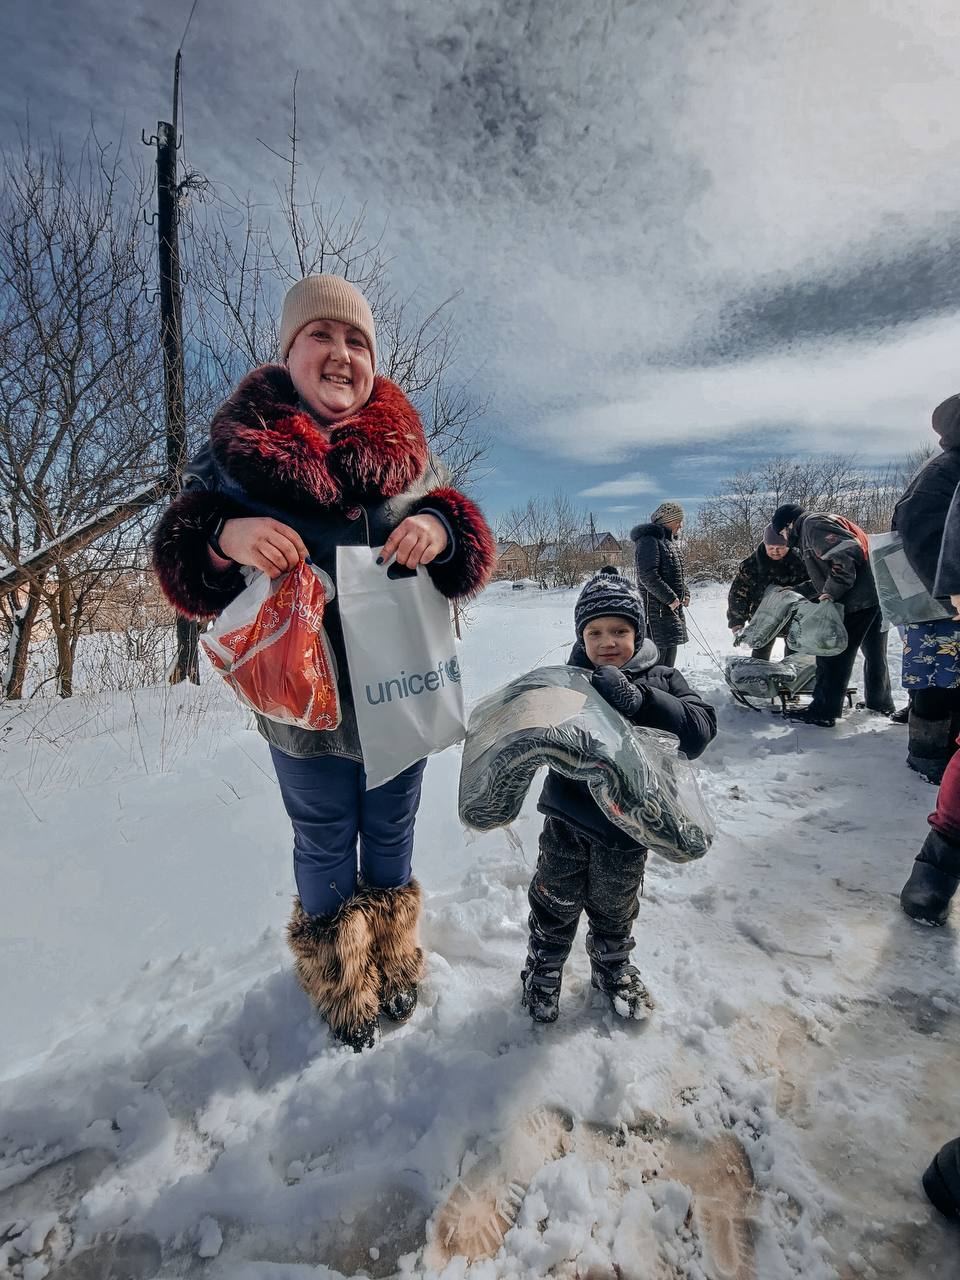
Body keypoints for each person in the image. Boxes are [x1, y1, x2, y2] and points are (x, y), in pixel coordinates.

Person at [152, 275, 495, 1051]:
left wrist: (441, 529)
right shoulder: (237, 453)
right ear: (289, 351)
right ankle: (342, 981)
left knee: (392, 832)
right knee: (323, 835)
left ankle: (393, 953)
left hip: (399, 692)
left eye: (357, 342)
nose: (341, 354)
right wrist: (223, 537)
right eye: (323, 337)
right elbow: (180, 560)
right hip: (301, 707)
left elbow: (464, 539)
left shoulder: (407, 454)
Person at [520, 567, 717, 1024]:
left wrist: (641, 701)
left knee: (615, 904)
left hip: (631, 826)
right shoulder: (568, 681)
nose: (608, 641)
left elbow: (700, 730)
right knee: (555, 898)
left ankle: (612, 967)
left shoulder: (662, 678)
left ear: (638, 632)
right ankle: (544, 966)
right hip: (567, 818)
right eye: (595, 632)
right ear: (582, 637)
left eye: (620, 631)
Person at [769, 503, 895, 727]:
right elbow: (827, 572)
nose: (784, 538)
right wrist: (799, 591)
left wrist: (830, 593)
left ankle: (824, 710)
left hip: (854, 600)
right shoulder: (826, 521)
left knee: (831, 653)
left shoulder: (812, 524)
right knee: (875, 654)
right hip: (874, 595)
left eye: (782, 532)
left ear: (790, 524)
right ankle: (880, 702)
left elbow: (846, 557)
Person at [900, 478, 960, 926]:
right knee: (935, 686)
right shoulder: (943, 475)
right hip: (937, 612)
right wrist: (948, 588)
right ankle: (941, 856)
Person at [892, 394, 960, 782]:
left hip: (941, 597)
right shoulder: (946, 468)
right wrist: (951, 586)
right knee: (936, 677)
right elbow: (917, 528)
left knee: (947, 678)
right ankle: (929, 759)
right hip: (936, 602)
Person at [727, 525, 815, 658]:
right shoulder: (751, 565)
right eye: (771, 548)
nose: (776, 551)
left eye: (780, 548)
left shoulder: (801, 562)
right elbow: (738, 594)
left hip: (793, 618)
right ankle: (758, 676)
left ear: (788, 546)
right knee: (760, 650)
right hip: (762, 617)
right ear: (765, 544)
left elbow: (814, 586)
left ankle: (792, 676)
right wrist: (736, 620)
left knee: (794, 653)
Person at [632, 501, 689, 668]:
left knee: (670, 655)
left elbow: (676, 575)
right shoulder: (649, 541)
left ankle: (669, 688)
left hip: (671, 612)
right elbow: (647, 575)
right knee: (658, 660)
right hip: (656, 613)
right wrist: (670, 598)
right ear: (667, 520)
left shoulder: (670, 543)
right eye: (677, 520)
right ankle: (656, 691)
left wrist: (684, 593)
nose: (680, 525)